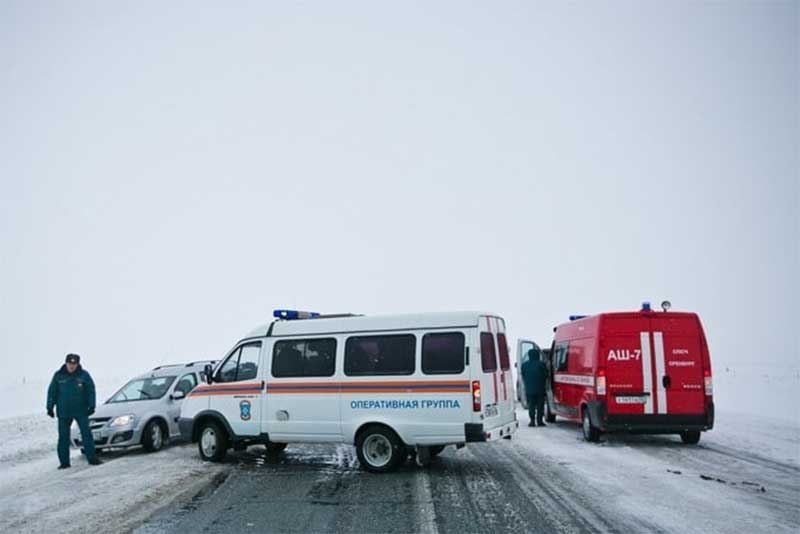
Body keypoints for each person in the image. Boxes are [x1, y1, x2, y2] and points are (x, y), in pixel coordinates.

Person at [46, 353, 102, 468]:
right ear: (66, 363)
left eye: (74, 364)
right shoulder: (58, 376)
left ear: (77, 364)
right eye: (69, 363)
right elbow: (52, 392)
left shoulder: (84, 375)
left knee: (86, 434)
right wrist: (50, 407)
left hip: (80, 411)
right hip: (63, 412)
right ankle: (64, 463)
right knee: (63, 437)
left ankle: (92, 459)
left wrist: (91, 406)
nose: (71, 366)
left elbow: (91, 390)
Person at [521, 347, 548, 427]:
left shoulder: (524, 365)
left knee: (531, 405)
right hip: (540, 389)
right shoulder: (541, 364)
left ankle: (532, 421)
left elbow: (523, 375)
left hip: (529, 389)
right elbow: (546, 374)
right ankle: (540, 421)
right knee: (540, 405)